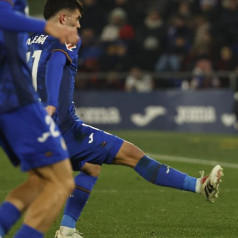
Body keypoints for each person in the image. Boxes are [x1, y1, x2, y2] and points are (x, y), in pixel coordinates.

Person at [26, 1, 224, 238]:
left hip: (33, 129)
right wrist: (51, 104)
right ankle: (199, 187)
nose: (78, 25)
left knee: (91, 167)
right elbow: (57, 64)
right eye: (76, 19)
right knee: (132, 155)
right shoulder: (67, 36)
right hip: (63, 129)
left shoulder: (29, 38)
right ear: (62, 19)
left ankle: (67, 230)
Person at [0, 1, 79, 238]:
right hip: (17, 100)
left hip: (10, 100)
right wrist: (49, 27)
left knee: (40, 180)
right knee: (61, 182)